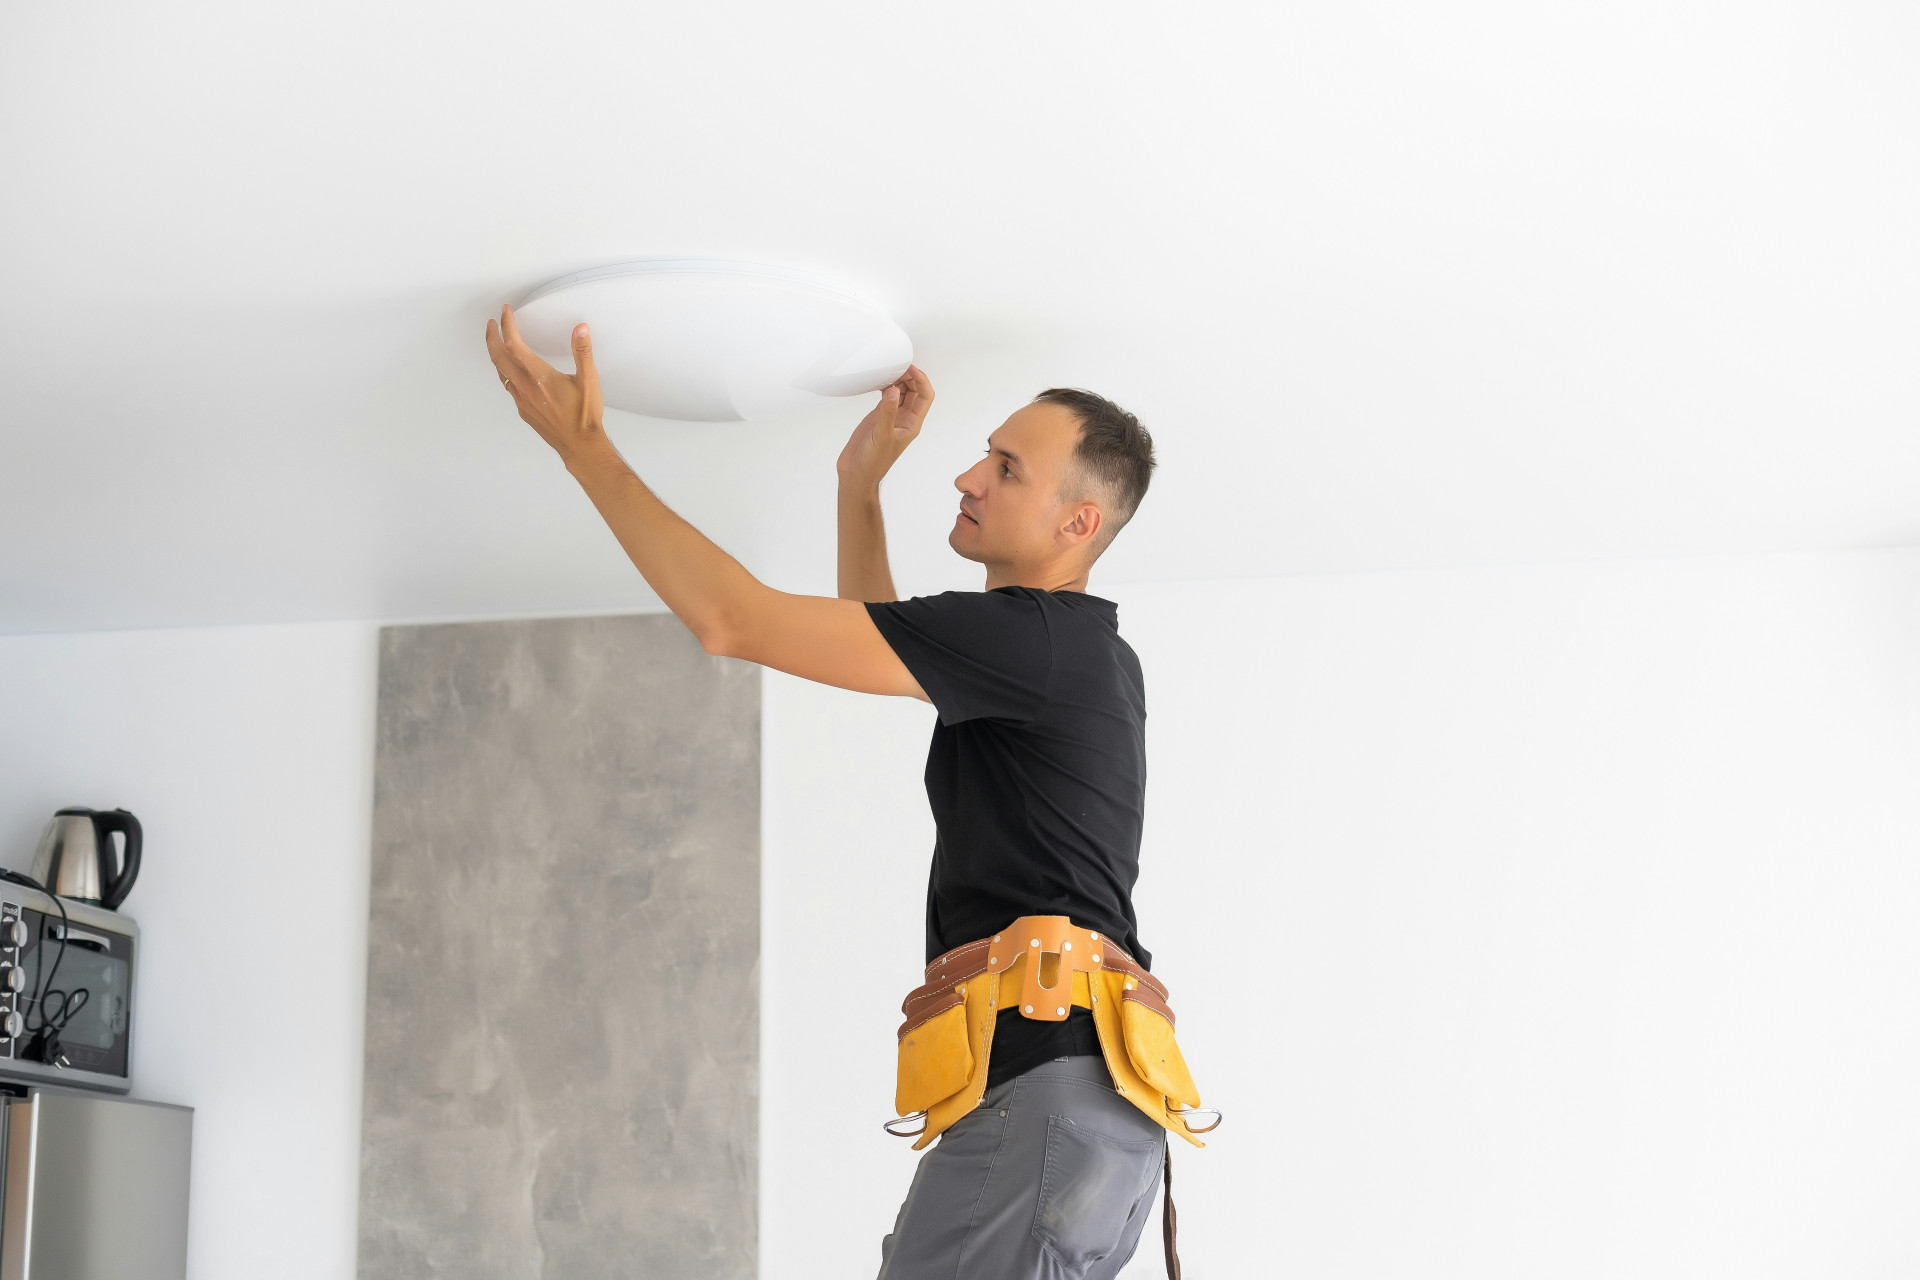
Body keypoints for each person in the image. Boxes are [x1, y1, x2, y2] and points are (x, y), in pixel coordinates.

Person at [484, 310, 1206, 1280]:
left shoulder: (1034, 641)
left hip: (1046, 1094)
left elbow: (732, 619)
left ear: (1079, 523)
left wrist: (586, 448)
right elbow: (883, 642)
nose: (969, 477)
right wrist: (858, 484)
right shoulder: (1074, 653)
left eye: (1006, 468)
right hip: (1087, 1102)